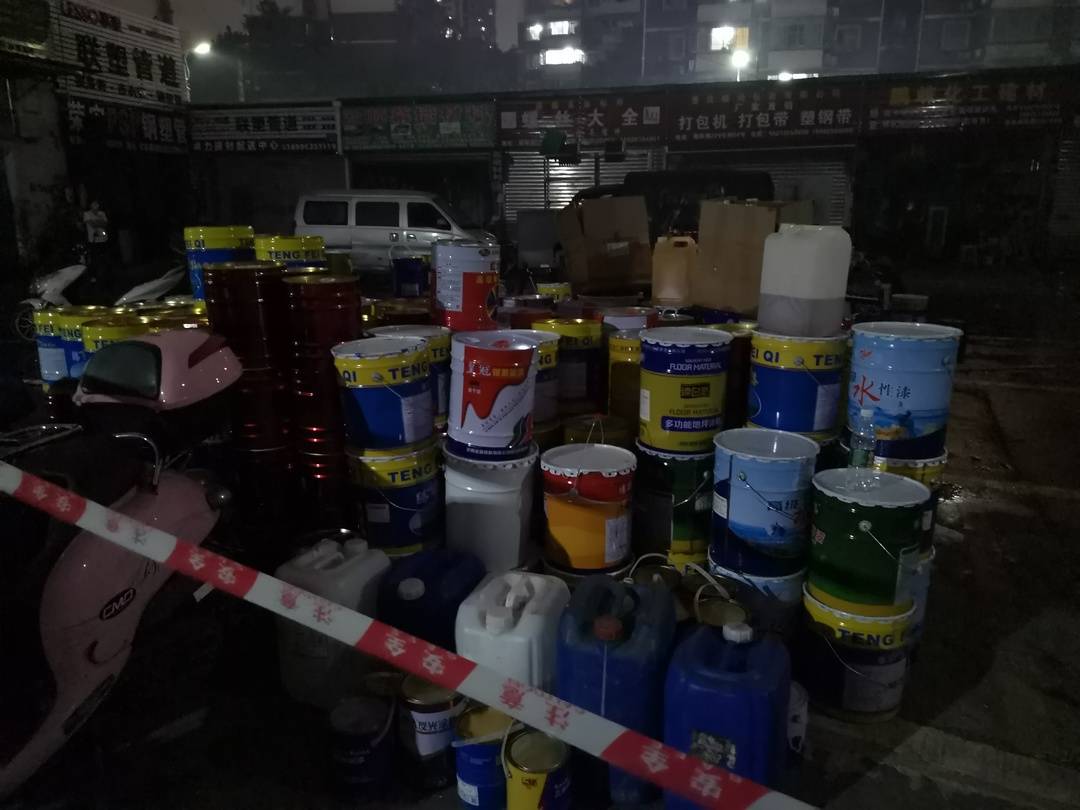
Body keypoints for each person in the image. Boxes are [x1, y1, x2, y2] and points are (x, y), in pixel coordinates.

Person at [82, 200, 109, 283]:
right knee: (94, 259)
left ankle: (105, 276)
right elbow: (93, 224)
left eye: (96, 204)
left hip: (103, 239)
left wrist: (97, 222)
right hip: (93, 240)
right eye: (93, 204)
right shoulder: (87, 214)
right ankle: (94, 276)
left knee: (104, 257)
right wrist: (99, 222)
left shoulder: (102, 213)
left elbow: (105, 224)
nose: (95, 205)